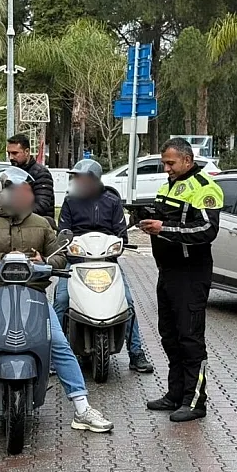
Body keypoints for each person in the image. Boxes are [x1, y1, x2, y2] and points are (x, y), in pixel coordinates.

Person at [0, 167, 113, 444]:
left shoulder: (42, 224)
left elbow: (59, 258)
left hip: (33, 294)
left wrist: (42, 260)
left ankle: (82, 407)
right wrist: (6, 257)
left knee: (58, 342)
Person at [137, 138, 223, 423]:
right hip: (168, 271)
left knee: (190, 338)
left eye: (170, 163)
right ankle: (175, 394)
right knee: (170, 336)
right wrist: (149, 220)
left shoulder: (205, 188)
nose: (166, 168)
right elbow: (165, 220)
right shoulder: (168, 186)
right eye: (164, 162)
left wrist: (165, 228)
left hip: (191, 273)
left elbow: (207, 229)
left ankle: (195, 400)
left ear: (187, 160)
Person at [54, 158, 155, 373]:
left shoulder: (112, 201)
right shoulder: (71, 201)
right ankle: (56, 355)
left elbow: (121, 234)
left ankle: (136, 352)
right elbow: (62, 232)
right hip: (76, 261)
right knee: (61, 300)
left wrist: (117, 244)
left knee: (126, 302)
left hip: (106, 262)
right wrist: (66, 245)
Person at [6, 133, 55, 223]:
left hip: (38, 226)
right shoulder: (10, 173)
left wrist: (15, 213)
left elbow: (41, 206)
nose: (11, 157)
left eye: (15, 153)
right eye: (8, 153)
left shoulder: (41, 173)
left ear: (27, 151)